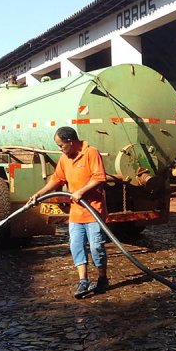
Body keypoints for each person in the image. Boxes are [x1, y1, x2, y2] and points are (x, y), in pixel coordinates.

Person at [29, 126, 109, 298]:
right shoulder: (65, 159)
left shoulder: (91, 153)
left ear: (70, 142)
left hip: (93, 211)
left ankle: (102, 278)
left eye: (61, 145)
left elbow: (99, 177)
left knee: (96, 246)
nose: (60, 149)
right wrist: (40, 194)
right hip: (76, 213)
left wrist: (81, 191)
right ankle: (83, 281)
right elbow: (57, 179)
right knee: (76, 245)